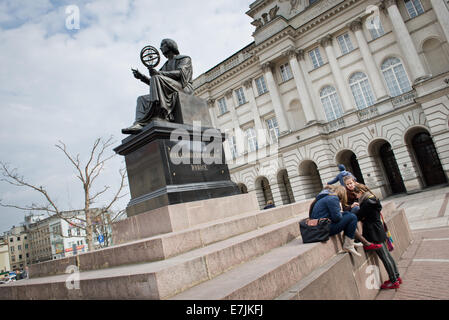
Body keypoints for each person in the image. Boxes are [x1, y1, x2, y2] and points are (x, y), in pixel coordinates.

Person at [122, 39, 194, 134]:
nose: (160, 47)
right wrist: (142, 77)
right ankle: (139, 123)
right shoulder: (165, 66)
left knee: (156, 78)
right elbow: (155, 84)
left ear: (170, 45)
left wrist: (159, 73)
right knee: (141, 99)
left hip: (183, 87)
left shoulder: (184, 58)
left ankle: (159, 114)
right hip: (170, 89)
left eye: (162, 44)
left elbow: (181, 73)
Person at [353, 183, 402, 289]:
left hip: (373, 232)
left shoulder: (366, 203)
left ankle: (393, 281)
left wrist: (355, 211)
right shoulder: (372, 198)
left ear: (361, 192)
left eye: (356, 194)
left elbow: (358, 216)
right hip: (378, 229)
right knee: (388, 255)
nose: (355, 196)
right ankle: (397, 277)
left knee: (384, 257)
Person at [310, 185, 362, 256]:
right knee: (352, 217)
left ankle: (349, 243)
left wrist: (340, 212)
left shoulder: (327, 197)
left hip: (321, 226)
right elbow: (336, 218)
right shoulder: (333, 198)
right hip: (323, 229)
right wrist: (339, 211)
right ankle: (348, 245)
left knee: (347, 214)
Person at [343, 176, 382, 251]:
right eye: (347, 184)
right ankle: (360, 236)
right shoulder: (345, 193)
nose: (350, 185)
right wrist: (351, 206)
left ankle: (361, 235)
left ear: (354, 182)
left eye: (351, 183)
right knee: (356, 209)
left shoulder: (360, 188)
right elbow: (344, 208)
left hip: (365, 211)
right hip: (354, 211)